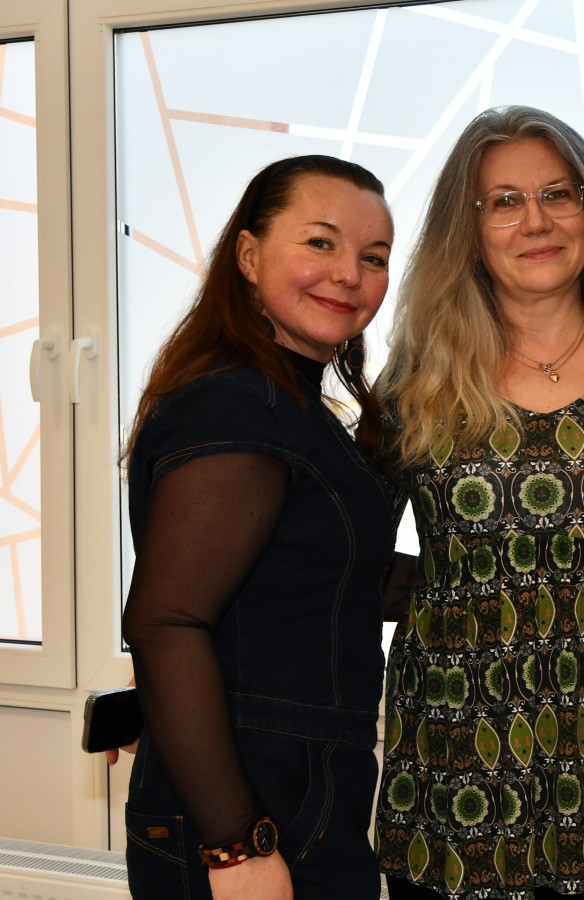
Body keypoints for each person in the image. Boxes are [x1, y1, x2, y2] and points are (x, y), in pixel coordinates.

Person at [370, 106, 584, 900]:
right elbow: (332, 553)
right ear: (467, 227)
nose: (536, 221)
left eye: (558, 193)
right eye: (504, 202)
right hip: (453, 769)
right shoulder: (419, 379)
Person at [120, 154, 397, 900]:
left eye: (374, 257)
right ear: (248, 256)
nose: (349, 274)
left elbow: (317, 577)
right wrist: (236, 845)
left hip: (292, 788)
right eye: (320, 242)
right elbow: (165, 622)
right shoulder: (237, 406)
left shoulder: (289, 404)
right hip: (253, 806)